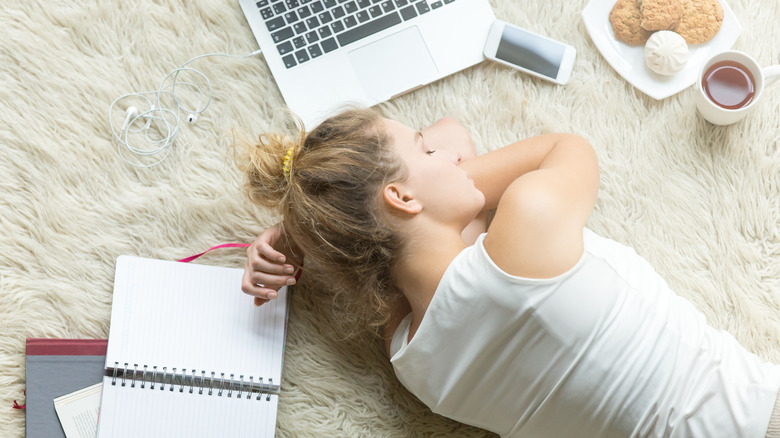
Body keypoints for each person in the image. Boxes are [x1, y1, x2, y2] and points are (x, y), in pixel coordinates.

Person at [237, 107, 780, 437]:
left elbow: (449, 143)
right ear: (400, 196)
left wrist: (317, 225)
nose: (447, 155)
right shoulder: (526, 226)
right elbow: (566, 146)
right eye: (425, 150)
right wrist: (313, 218)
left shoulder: (408, 356)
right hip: (754, 418)